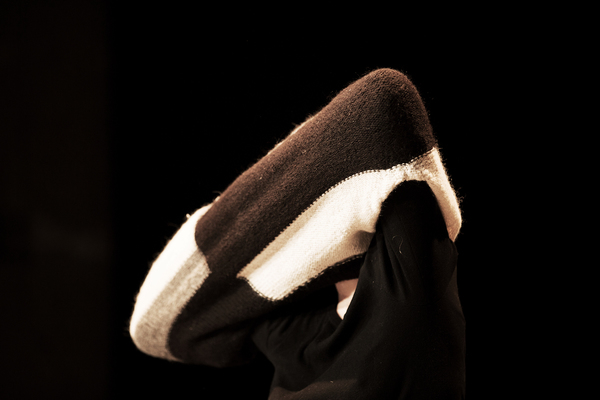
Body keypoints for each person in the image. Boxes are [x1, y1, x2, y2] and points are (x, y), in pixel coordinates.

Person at [129, 68, 466, 399]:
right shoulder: (406, 309)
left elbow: (157, 325)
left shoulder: (313, 337)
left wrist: (272, 222)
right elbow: (384, 104)